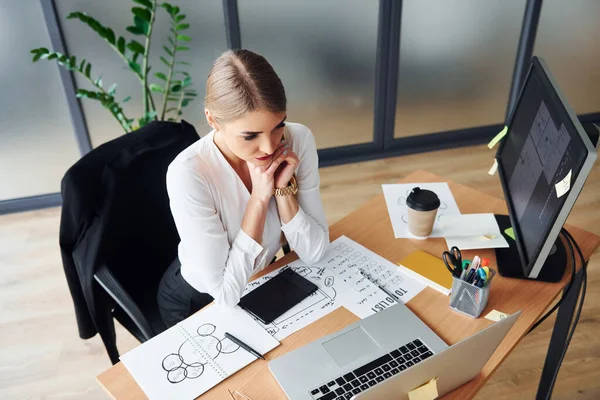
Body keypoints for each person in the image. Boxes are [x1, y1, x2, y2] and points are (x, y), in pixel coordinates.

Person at [156, 49, 330, 328]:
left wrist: (283, 191)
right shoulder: (188, 173)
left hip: (264, 277)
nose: (270, 147)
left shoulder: (298, 139)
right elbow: (224, 293)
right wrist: (260, 200)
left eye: (277, 126)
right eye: (250, 135)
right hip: (196, 301)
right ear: (212, 120)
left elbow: (315, 252)